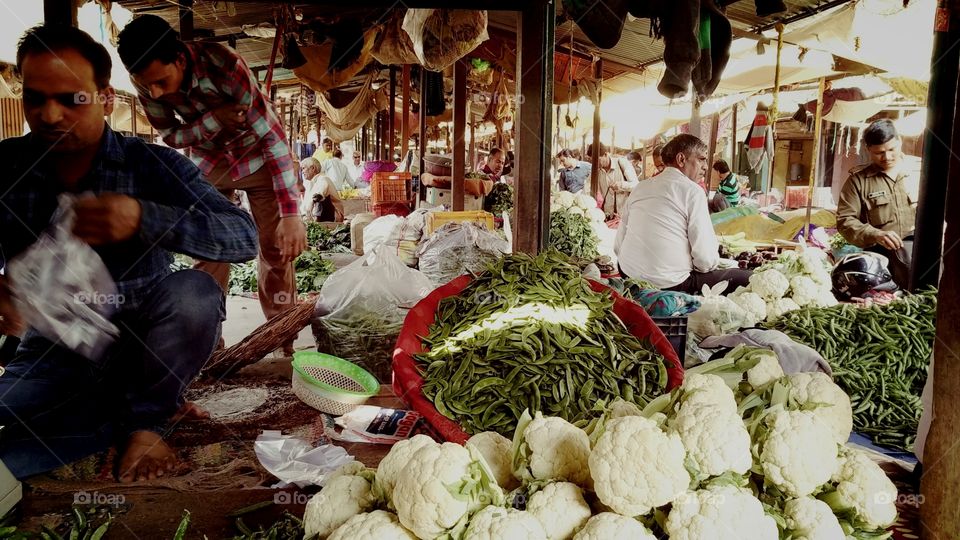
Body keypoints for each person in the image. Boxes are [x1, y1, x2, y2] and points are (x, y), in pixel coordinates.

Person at [0, 25, 259, 481]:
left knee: (193, 293)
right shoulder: (5, 167)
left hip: (146, 350)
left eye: (71, 98)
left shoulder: (151, 165)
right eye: (35, 98)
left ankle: (145, 422)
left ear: (106, 98)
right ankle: (114, 418)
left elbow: (242, 236)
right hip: (53, 355)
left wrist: (146, 219)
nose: (50, 114)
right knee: (14, 447)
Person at [118, 15, 306, 355]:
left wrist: (291, 215)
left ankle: (281, 338)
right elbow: (172, 136)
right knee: (209, 252)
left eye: (161, 81)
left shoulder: (225, 64)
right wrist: (213, 120)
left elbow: (272, 137)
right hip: (209, 163)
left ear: (179, 58)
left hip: (257, 156)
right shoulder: (145, 80)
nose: (155, 93)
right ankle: (209, 346)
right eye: (148, 86)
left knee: (276, 248)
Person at [615, 134, 751, 294]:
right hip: (669, 284)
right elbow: (705, 260)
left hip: (627, 274)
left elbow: (618, 246)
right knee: (747, 277)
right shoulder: (693, 192)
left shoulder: (641, 187)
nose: (706, 166)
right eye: (701, 159)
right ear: (681, 159)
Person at [836, 119, 917, 289]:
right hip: (881, 263)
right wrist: (875, 234)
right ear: (868, 150)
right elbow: (845, 220)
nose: (886, 157)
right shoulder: (858, 181)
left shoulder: (921, 171)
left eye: (891, 150)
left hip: (923, 256)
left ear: (899, 141)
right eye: (879, 152)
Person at [588, 143, 639, 217]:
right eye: (592, 161)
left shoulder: (622, 163)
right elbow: (587, 186)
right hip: (608, 215)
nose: (594, 163)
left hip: (625, 215)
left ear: (605, 154)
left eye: (597, 160)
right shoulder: (596, 171)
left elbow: (636, 185)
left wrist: (621, 185)